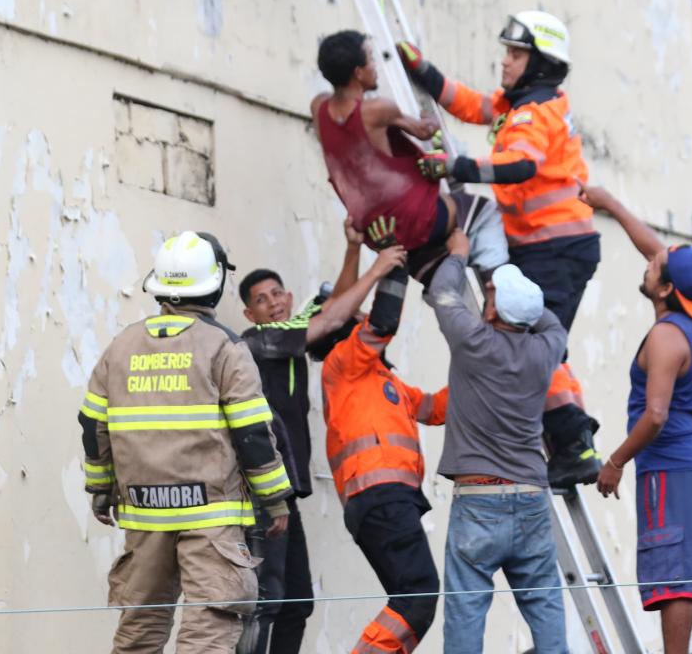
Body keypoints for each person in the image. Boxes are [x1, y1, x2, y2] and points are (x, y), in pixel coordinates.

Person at [398, 12, 601, 482]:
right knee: (538, 341)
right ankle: (568, 442)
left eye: (516, 53)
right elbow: (470, 104)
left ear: (541, 62)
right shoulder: (521, 104)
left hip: (558, 248)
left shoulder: (534, 113)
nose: (505, 61)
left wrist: (458, 166)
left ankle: (573, 444)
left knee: (539, 343)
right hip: (545, 246)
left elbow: (520, 166)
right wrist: (424, 72)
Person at [78, 230, 292, 653]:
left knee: (139, 633)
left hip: (144, 515)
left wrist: (101, 491)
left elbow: (92, 426)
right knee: (208, 632)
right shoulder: (224, 347)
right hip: (210, 518)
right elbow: (252, 435)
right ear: (214, 285)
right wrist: (274, 500)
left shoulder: (120, 347)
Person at [236, 221, 407, 654]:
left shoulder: (292, 329)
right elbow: (332, 314)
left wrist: (352, 249)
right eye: (261, 300)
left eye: (277, 294)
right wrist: (378, 267)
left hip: (285, 492)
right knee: (266, 602)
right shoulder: (259, 342)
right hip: (258, 492)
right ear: (249, 314)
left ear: (289, 298)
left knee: (297, 603)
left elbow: (335, 308)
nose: (273, 303)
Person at [586, 186, 692, 654]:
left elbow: (655, 416)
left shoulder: (666, 338)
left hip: (674, 469)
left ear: (667, 289)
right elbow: (656, 249)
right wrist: (610, 204)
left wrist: (614, 461)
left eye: (656, 267)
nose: (649, 262)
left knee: (677, 581)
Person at [424, 229, 569, 654]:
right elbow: (549, 319)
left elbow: (442, 290)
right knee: (545, 605)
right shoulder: (547, 348)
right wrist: (512, 296)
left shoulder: (474, 341)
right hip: (531, 497)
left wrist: (460, 254)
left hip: (479, 499)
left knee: (467, 610)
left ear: (493, 310)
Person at [315, 261, 448, 654]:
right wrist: (396, 265)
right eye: (354, 313)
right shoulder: (343, 362)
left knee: (412, 598)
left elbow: (434, 408)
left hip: (386, 499)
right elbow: (383, 322)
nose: (362, 315)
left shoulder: (383, 380)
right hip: (380, 495)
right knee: (418, 597)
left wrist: (478, 365)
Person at [311, 29, 509, 283]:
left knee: (428, 261)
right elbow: (424, 131)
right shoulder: (376, 110)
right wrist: (430, 118)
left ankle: (426, 282)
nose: (377, 66)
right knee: (483, 212)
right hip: (414, 218)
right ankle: (498, 291)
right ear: (358, 73)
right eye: (371, 59)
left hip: (375, 230)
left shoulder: (319, 107)